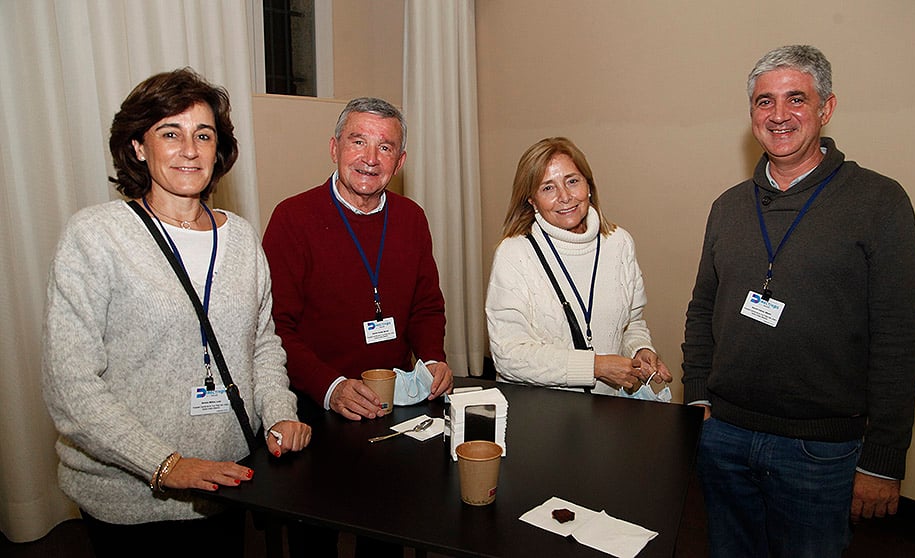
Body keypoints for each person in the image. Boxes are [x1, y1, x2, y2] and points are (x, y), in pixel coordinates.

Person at [41, 68, 311, 558]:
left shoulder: (243, 239)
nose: (190, 149)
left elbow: (262, 342)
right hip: (131, 500)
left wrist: (278, 414)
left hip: (227, 483)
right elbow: (70, 384)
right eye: (171, 132)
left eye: (203, 135)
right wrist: (164, 465)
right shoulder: (96, 236)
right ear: (138, 148)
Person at [682, 45, 915, 558]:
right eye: (764, 101)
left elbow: (901, 341)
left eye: (796, 99)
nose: (779, 115)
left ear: (826, 108)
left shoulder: (879, 203)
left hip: (821, 451)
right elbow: (703, 309)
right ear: (751, 113)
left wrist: (882, 461)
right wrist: (699, 400)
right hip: (724, 438)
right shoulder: (728, 207)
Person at [262, 97, 454, 557]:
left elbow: (427, 305)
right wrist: (331, 387)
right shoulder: (292, 218)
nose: (370, 158)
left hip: (395, 408)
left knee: (387, 531)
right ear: (334, 148)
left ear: (400, 161)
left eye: (385, 147)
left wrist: (432, 357)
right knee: (316, 540)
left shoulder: (411, 219)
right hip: (317, 409)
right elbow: (275, 328)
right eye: (358, 141)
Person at [485, 137, 672, 396]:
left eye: (572, 181)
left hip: (608, 411)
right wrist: (596, 366)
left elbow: (631, 323)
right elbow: (508, 354)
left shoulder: (619, 243)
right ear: (531, 200)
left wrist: (640, 350)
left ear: (589, 185)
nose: (565, 197)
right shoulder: (514, 253)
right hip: (540, 413)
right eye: (548, 188)